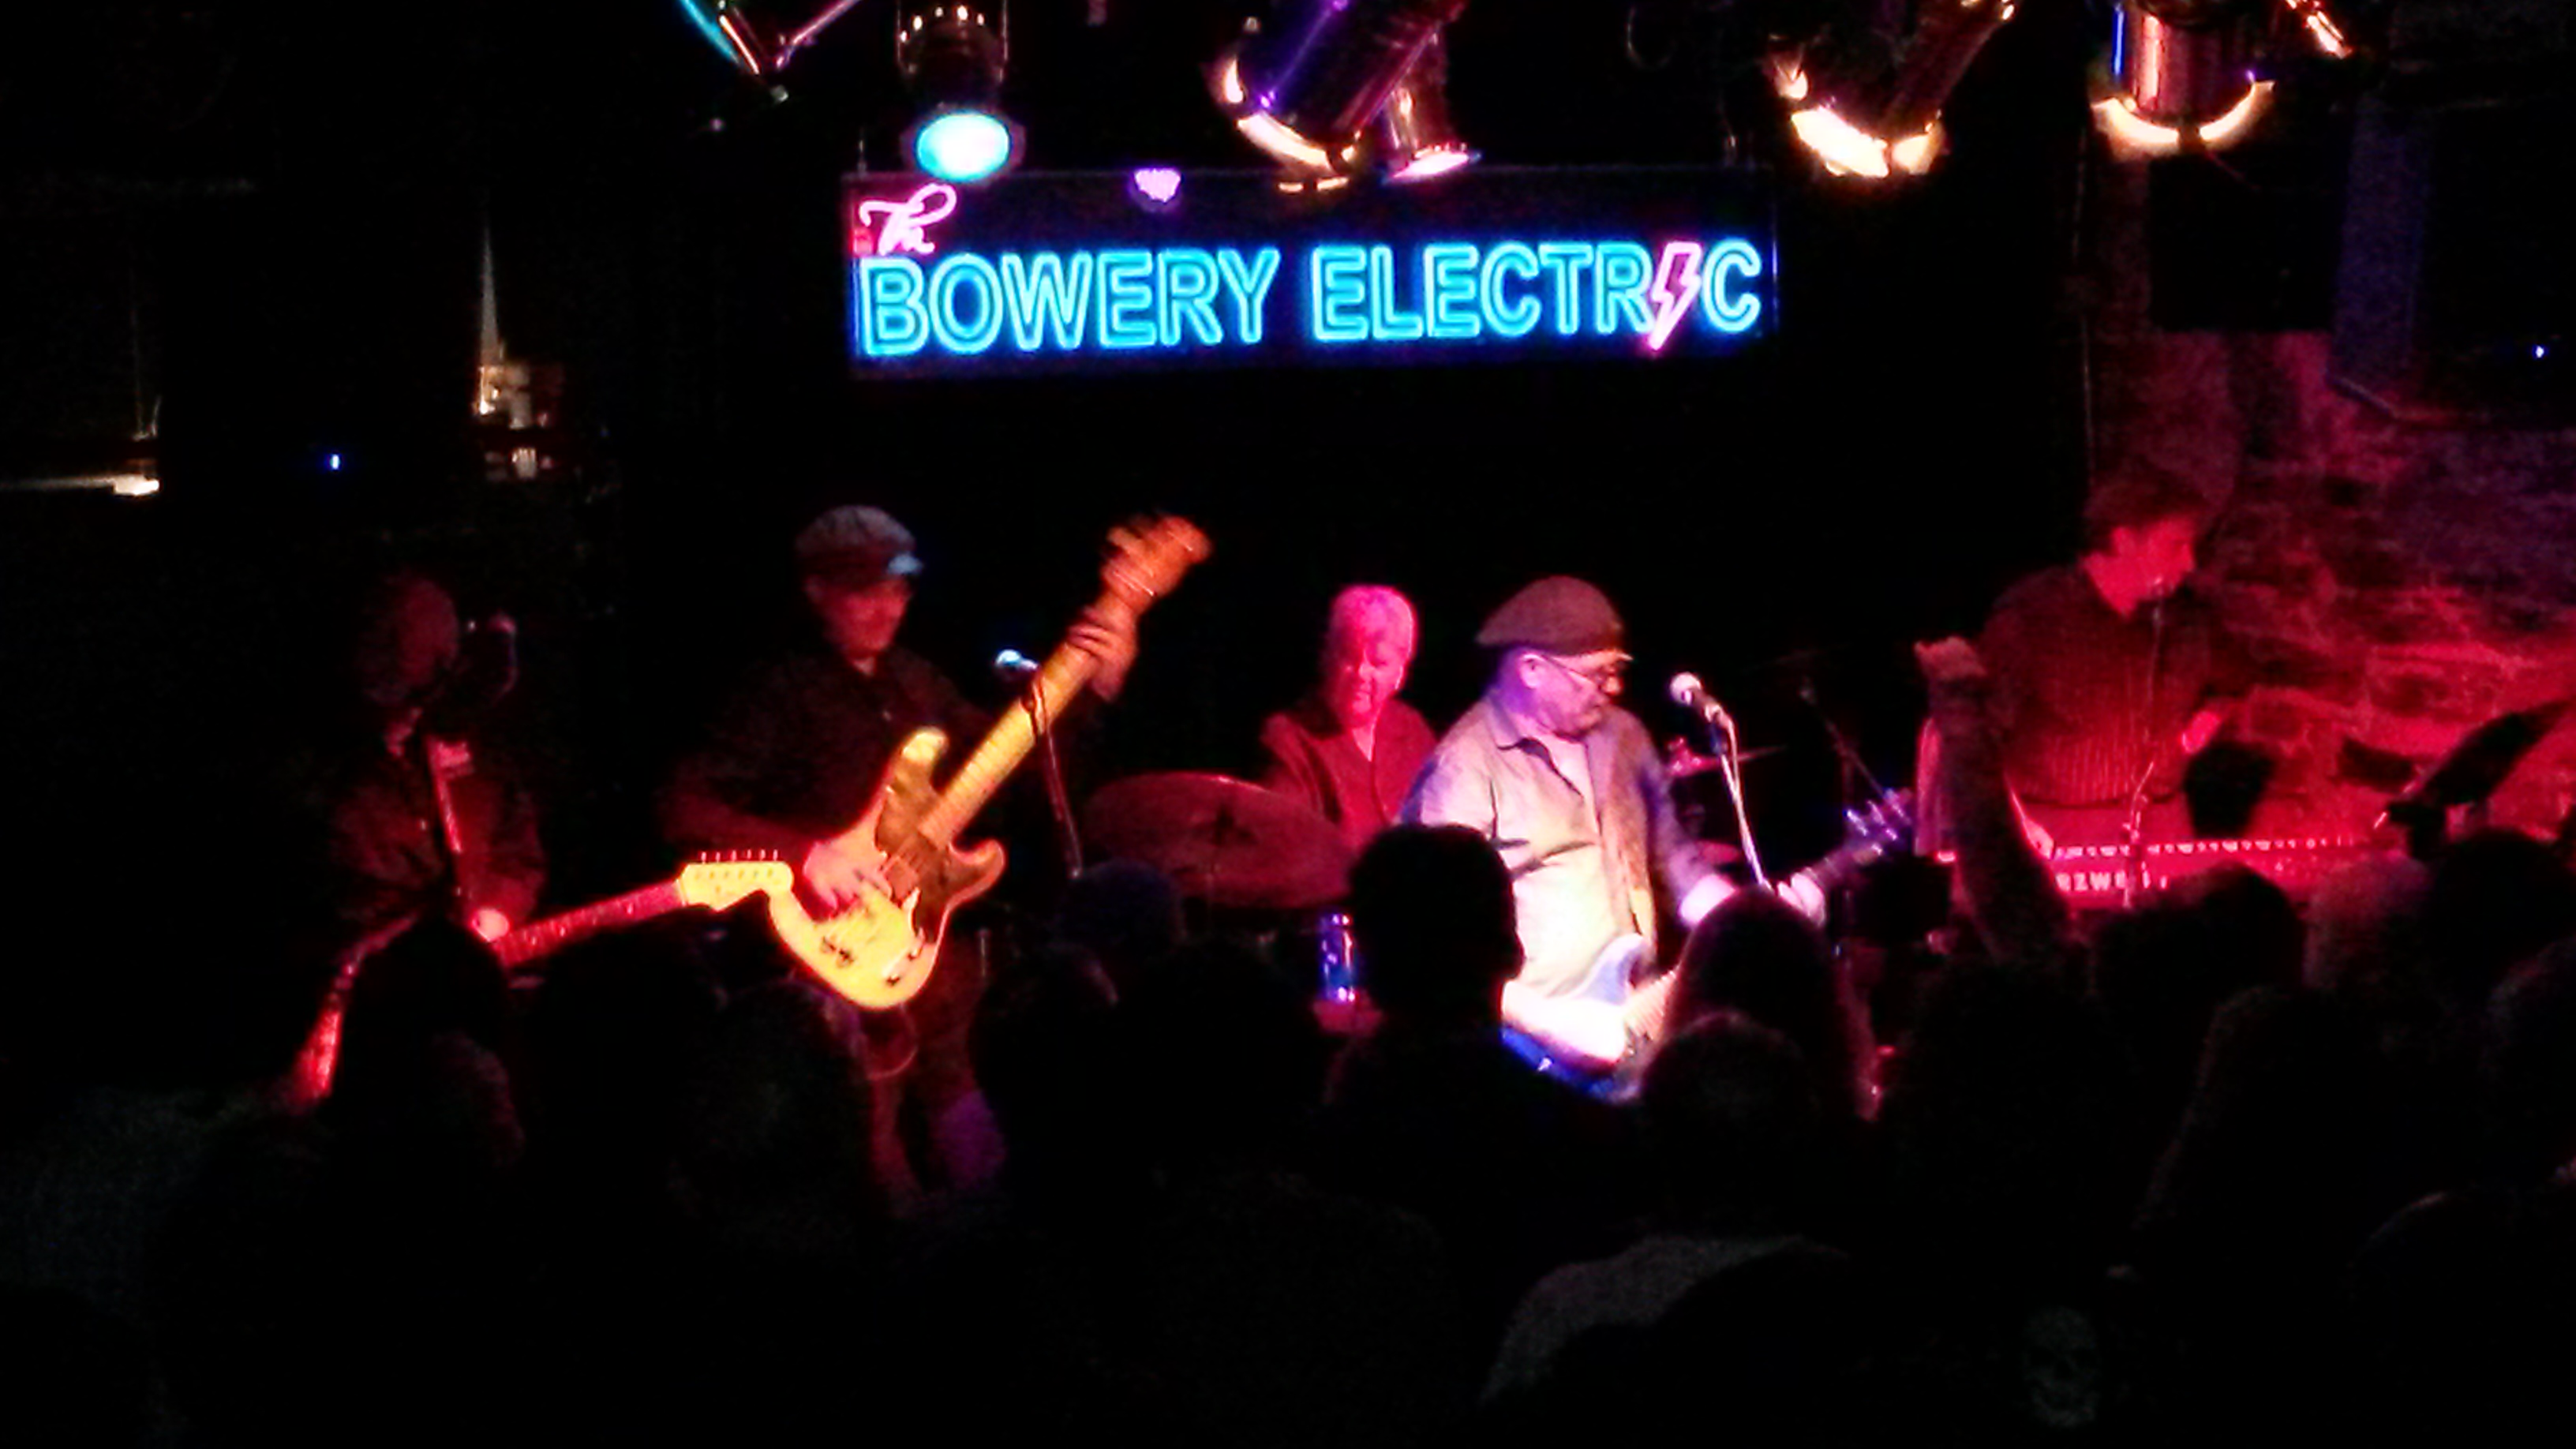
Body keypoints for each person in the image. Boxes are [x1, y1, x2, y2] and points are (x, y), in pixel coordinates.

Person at [660, 504, 1137, 1193]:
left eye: (899, 589)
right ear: (817, 591)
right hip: (830, 969)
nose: (889, 608)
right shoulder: (776, 692)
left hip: (935, 962)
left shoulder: (918, 682)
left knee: (979, 1144)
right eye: (866, 592)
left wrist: (1097, 688)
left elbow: (1017, 770)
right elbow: (686, 806)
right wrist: (806, 854)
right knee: (868, 1156)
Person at [1402, 576, 1731, 1061]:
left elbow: (1676, 860)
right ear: (1532, 670)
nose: (1614, 688)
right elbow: (1432, 937)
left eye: (1617, 670)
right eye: (1597, 675)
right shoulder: (1465, 767)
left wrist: (1744, 919)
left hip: (1636, 1020)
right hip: (1532, 1048)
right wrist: (1549, 1025)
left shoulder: (1624, 736)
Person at [1964, 463, 2249, 852]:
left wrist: (2212, 715)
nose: (2189, 564)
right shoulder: (2033, 618)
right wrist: (2011, 825)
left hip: (2162, 821)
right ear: (2124, 541)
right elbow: (1977, 735)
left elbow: (2235, 680)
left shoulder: (2188, 618)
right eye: (2175, 546)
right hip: (2058, 827)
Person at [298, 569, 545, 948]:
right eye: (397, 699)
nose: (410, 714)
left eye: (422, 698)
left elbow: (517, 851)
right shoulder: (318, 785)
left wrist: (497, 911)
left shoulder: (471, 746)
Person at [1257, 585, 1438, 855]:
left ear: (1400, 673)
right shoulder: (1290, 738)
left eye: (1378, 663)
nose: (1361, 673)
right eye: (1349, 657)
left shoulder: (1412, 729)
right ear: (1327, 657)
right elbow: (1284, 848)